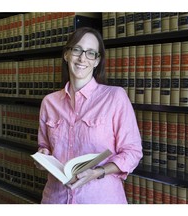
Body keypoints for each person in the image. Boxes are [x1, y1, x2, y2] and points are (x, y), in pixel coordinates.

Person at [35, 27, 142, 204]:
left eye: (90, 53)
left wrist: (98, 172)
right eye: (77, 50)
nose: (82, 58)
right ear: (66, 55)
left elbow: (133, 152)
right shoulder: (49, 102)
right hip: (55, 199)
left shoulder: (115, 97)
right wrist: (43, 155)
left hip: (100, 200)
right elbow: (44, 145)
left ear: (97, 60)